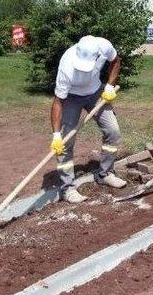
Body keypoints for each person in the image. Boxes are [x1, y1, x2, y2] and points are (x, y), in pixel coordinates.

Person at [50, 35, 127, 203]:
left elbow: (116, 62)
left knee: (113, 131)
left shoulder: (104, 46)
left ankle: (105, 173)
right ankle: (67, 188)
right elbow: (57, 102)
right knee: (64, 143)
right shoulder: (67, 65)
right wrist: (56, 135)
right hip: (71, 97)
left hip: (95, 93)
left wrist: (109, 86)